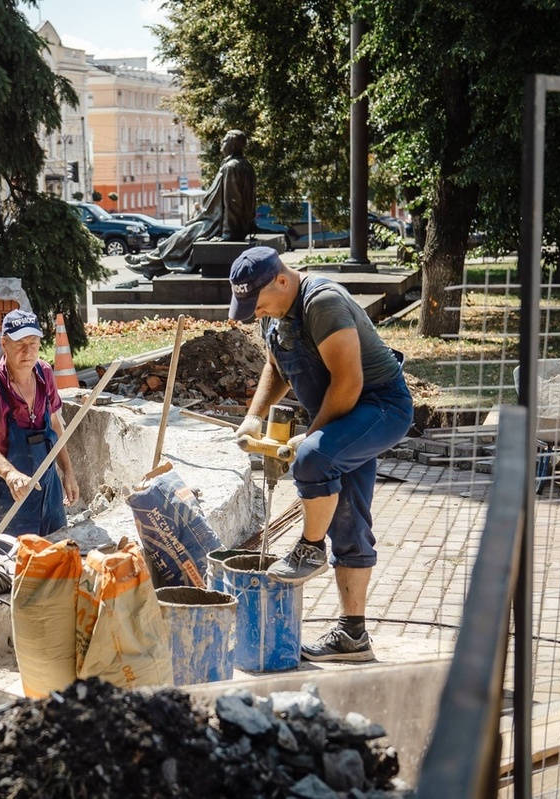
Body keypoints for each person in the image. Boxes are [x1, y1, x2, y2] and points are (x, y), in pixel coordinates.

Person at [230, 246, 413, 663]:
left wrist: (310, 437)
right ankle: (353, 636)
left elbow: (349, 383)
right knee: (347, 517)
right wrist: (252, 420)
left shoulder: (323, 302)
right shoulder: (275, 316)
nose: (254, 312)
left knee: (313, 458)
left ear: (281, 280)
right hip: (343, 415)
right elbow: (277, 368)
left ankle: (308, 548)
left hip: (380, 406)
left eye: (256, 304)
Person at [0, 309, 80, 537]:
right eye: (19, 344)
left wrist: (68, 471)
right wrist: (10, 473)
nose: (28, 351)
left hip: (48, 486)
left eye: (33, 342)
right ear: (4, 344)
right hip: (9, 491)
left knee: (57, 553)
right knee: (13, 560)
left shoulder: (45, 374)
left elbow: (56, 425)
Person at [126, 129, 256, 276]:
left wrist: (228, 235)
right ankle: (147, 262)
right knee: (182, 237)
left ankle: (147, 263)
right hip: (230, 223)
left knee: (182, 237)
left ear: (232, 146)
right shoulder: (246, 165)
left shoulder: (231, 167)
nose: (222, 144)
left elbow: (233, 202)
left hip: (221, 224)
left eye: (225, 141)